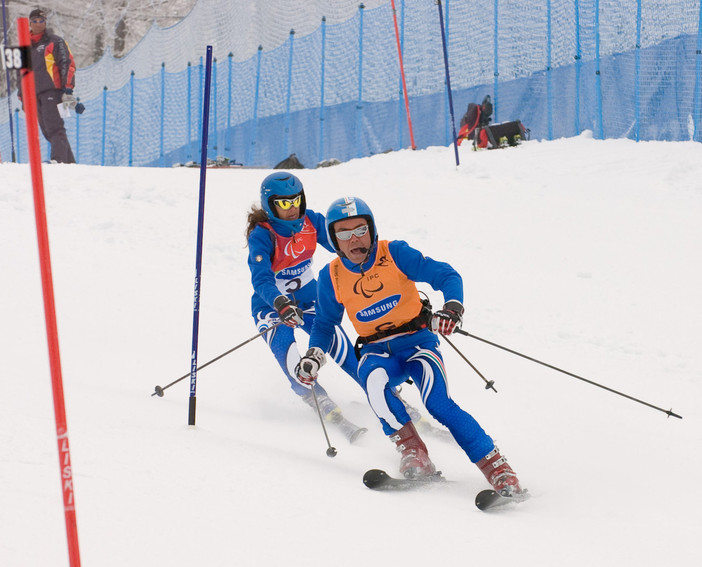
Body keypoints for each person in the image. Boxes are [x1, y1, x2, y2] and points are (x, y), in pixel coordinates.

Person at [295, 196, 526, 497]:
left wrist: (452, 309)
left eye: (361, 230)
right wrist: (314, 355)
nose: (354, 239)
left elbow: (445, 275)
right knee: (375, 385)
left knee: (438, 404)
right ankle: (414, 453)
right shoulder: (332, 276)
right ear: (333, 238)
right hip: (376, 351)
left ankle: (498, 469)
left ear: (372, 229)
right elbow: (325, 325)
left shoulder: (394, 253)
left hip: (418, 344)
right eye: (344, 233)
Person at [245, 172, 369, 442]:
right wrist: (280, 303)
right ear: (270, 205)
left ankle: (385, 395)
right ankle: (321, 402)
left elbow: (343, 245)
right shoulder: (262, 235)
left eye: (296, 201)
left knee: (339, 345)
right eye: (284, 204)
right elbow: (261, 279)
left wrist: (369, 264)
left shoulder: (311, 221)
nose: (293, 209)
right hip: (272, 306)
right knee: (290, 355)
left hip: (310, 299)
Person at [18, 8, 77, 163]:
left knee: (54, 127)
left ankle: (58, 160)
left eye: (41, 21)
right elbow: (21, 72)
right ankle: (69, 163)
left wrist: (68, 88)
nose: (38, 24)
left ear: (46, 22)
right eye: (35, 21)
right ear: (30, 23)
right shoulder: (25, 46)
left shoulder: (55, 41)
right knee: (46, 131)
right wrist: (22, 95)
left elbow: (67, 64)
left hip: (52, 91)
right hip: (33, 93)